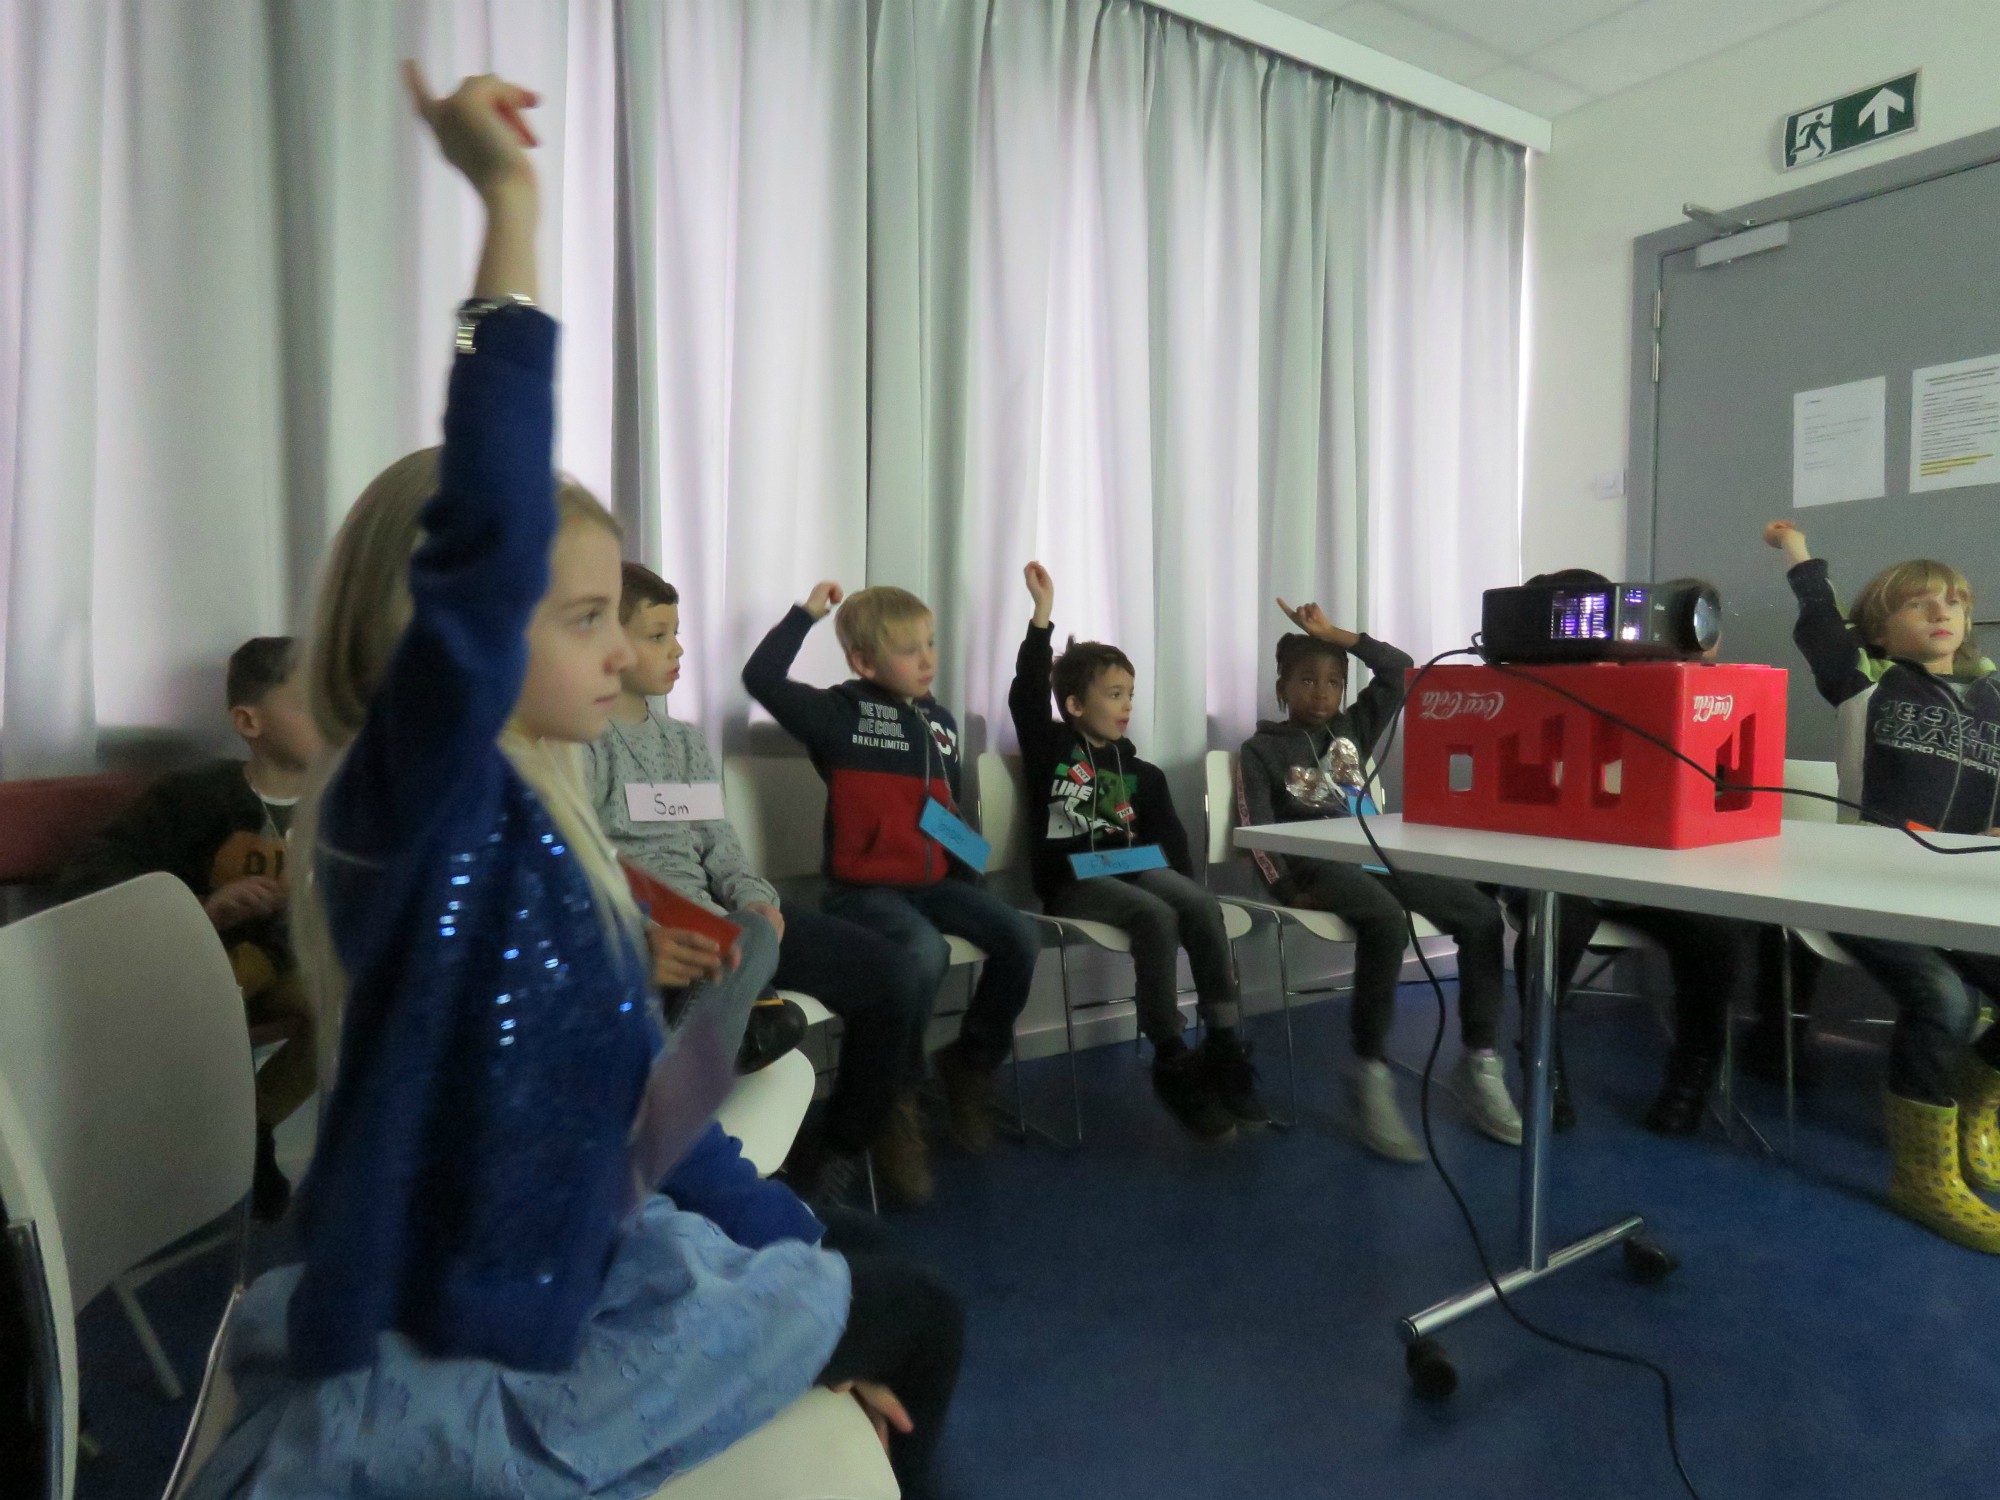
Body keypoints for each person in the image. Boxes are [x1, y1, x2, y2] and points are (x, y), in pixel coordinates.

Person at [181, 70, 959, 1500]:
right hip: (483, 1347)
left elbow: (622, 1119)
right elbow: (483, 542)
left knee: (877, 1281)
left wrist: (763, 1178)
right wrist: (510, 211)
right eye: (585, 619)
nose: (623, 658)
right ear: (449, 634)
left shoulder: (541, 812)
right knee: (907, 1311)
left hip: (573, 1256)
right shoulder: (410, 808)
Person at [586, 562, 931, 1206]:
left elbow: (721, 846)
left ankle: (839, 1143)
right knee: (743, 942)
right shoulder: (585, 743)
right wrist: (655, 927)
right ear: (609, 644)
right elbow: (591, 864)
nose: (678, 649)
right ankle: (701, 1083)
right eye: (658, 636)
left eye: (677, 633)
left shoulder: (685, 743)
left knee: (892, 977)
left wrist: (755, 896)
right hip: (661, 927)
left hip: (728, 917)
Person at [743, 580, 1042, 1156]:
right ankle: (896, 1097)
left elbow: (945, 813)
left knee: (1019, 935)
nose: (928, 659)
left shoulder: (940, 723)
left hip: (934, 884)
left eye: (930, 644)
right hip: (864, 891)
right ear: (863, 660)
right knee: (923, 952)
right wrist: (805, 615)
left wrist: (972, 882)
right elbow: (762, 679)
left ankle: (970, 1063)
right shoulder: (839, 713)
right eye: (910, 650)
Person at [1768, 518, 2000, 1252]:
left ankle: (1972, 1103)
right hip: (1871, 887)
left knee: (1970, 1008)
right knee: (1944, 999)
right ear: (1879, 626)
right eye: (1918, 604)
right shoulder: (1863, 681)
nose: (1941, 614)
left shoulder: (1994, 694)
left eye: (1953, 603)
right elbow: (1816, 619)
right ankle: (1923, 1175)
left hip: (1962, 889)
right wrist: (1798, 553)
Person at [1236, 599, 1522, 1160]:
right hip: (1318, 866)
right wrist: (1287, 888)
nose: (1321, 693)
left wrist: (1336, 635)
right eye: (1306, 680)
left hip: (1377, 855)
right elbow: (1257, 828)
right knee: (1386, 922)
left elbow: (1400, 669)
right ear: (1282, 686)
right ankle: (1369, 1070)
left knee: (1481, 915)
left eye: (1333, 682)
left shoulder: (1352, 728)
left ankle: (1479, 1061)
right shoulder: (1259, 750)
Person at [59, 636, 322, 1220]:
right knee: (212, 1009)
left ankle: (252, 1125)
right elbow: (94, 871)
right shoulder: (196, 797)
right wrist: (202, 906)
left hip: (290, 966)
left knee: (350, 1009)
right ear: (248, 720)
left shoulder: (341, 806)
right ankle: (198, 1146)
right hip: (201, 970)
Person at [1007, 562, 1264, 1138]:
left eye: (1130, 694)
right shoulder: (1052, 747)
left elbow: (1169, 845)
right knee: (1152, 915)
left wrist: (1179, 880)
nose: (1126, 706)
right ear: (1074, 705)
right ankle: (1172, 1055)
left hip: (1135, 869)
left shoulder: (1140, 771)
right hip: (1075, 880)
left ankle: (1223, 1044)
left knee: (1198, 905)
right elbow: (1027, 695)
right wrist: (1041, 620)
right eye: (1113, 694)